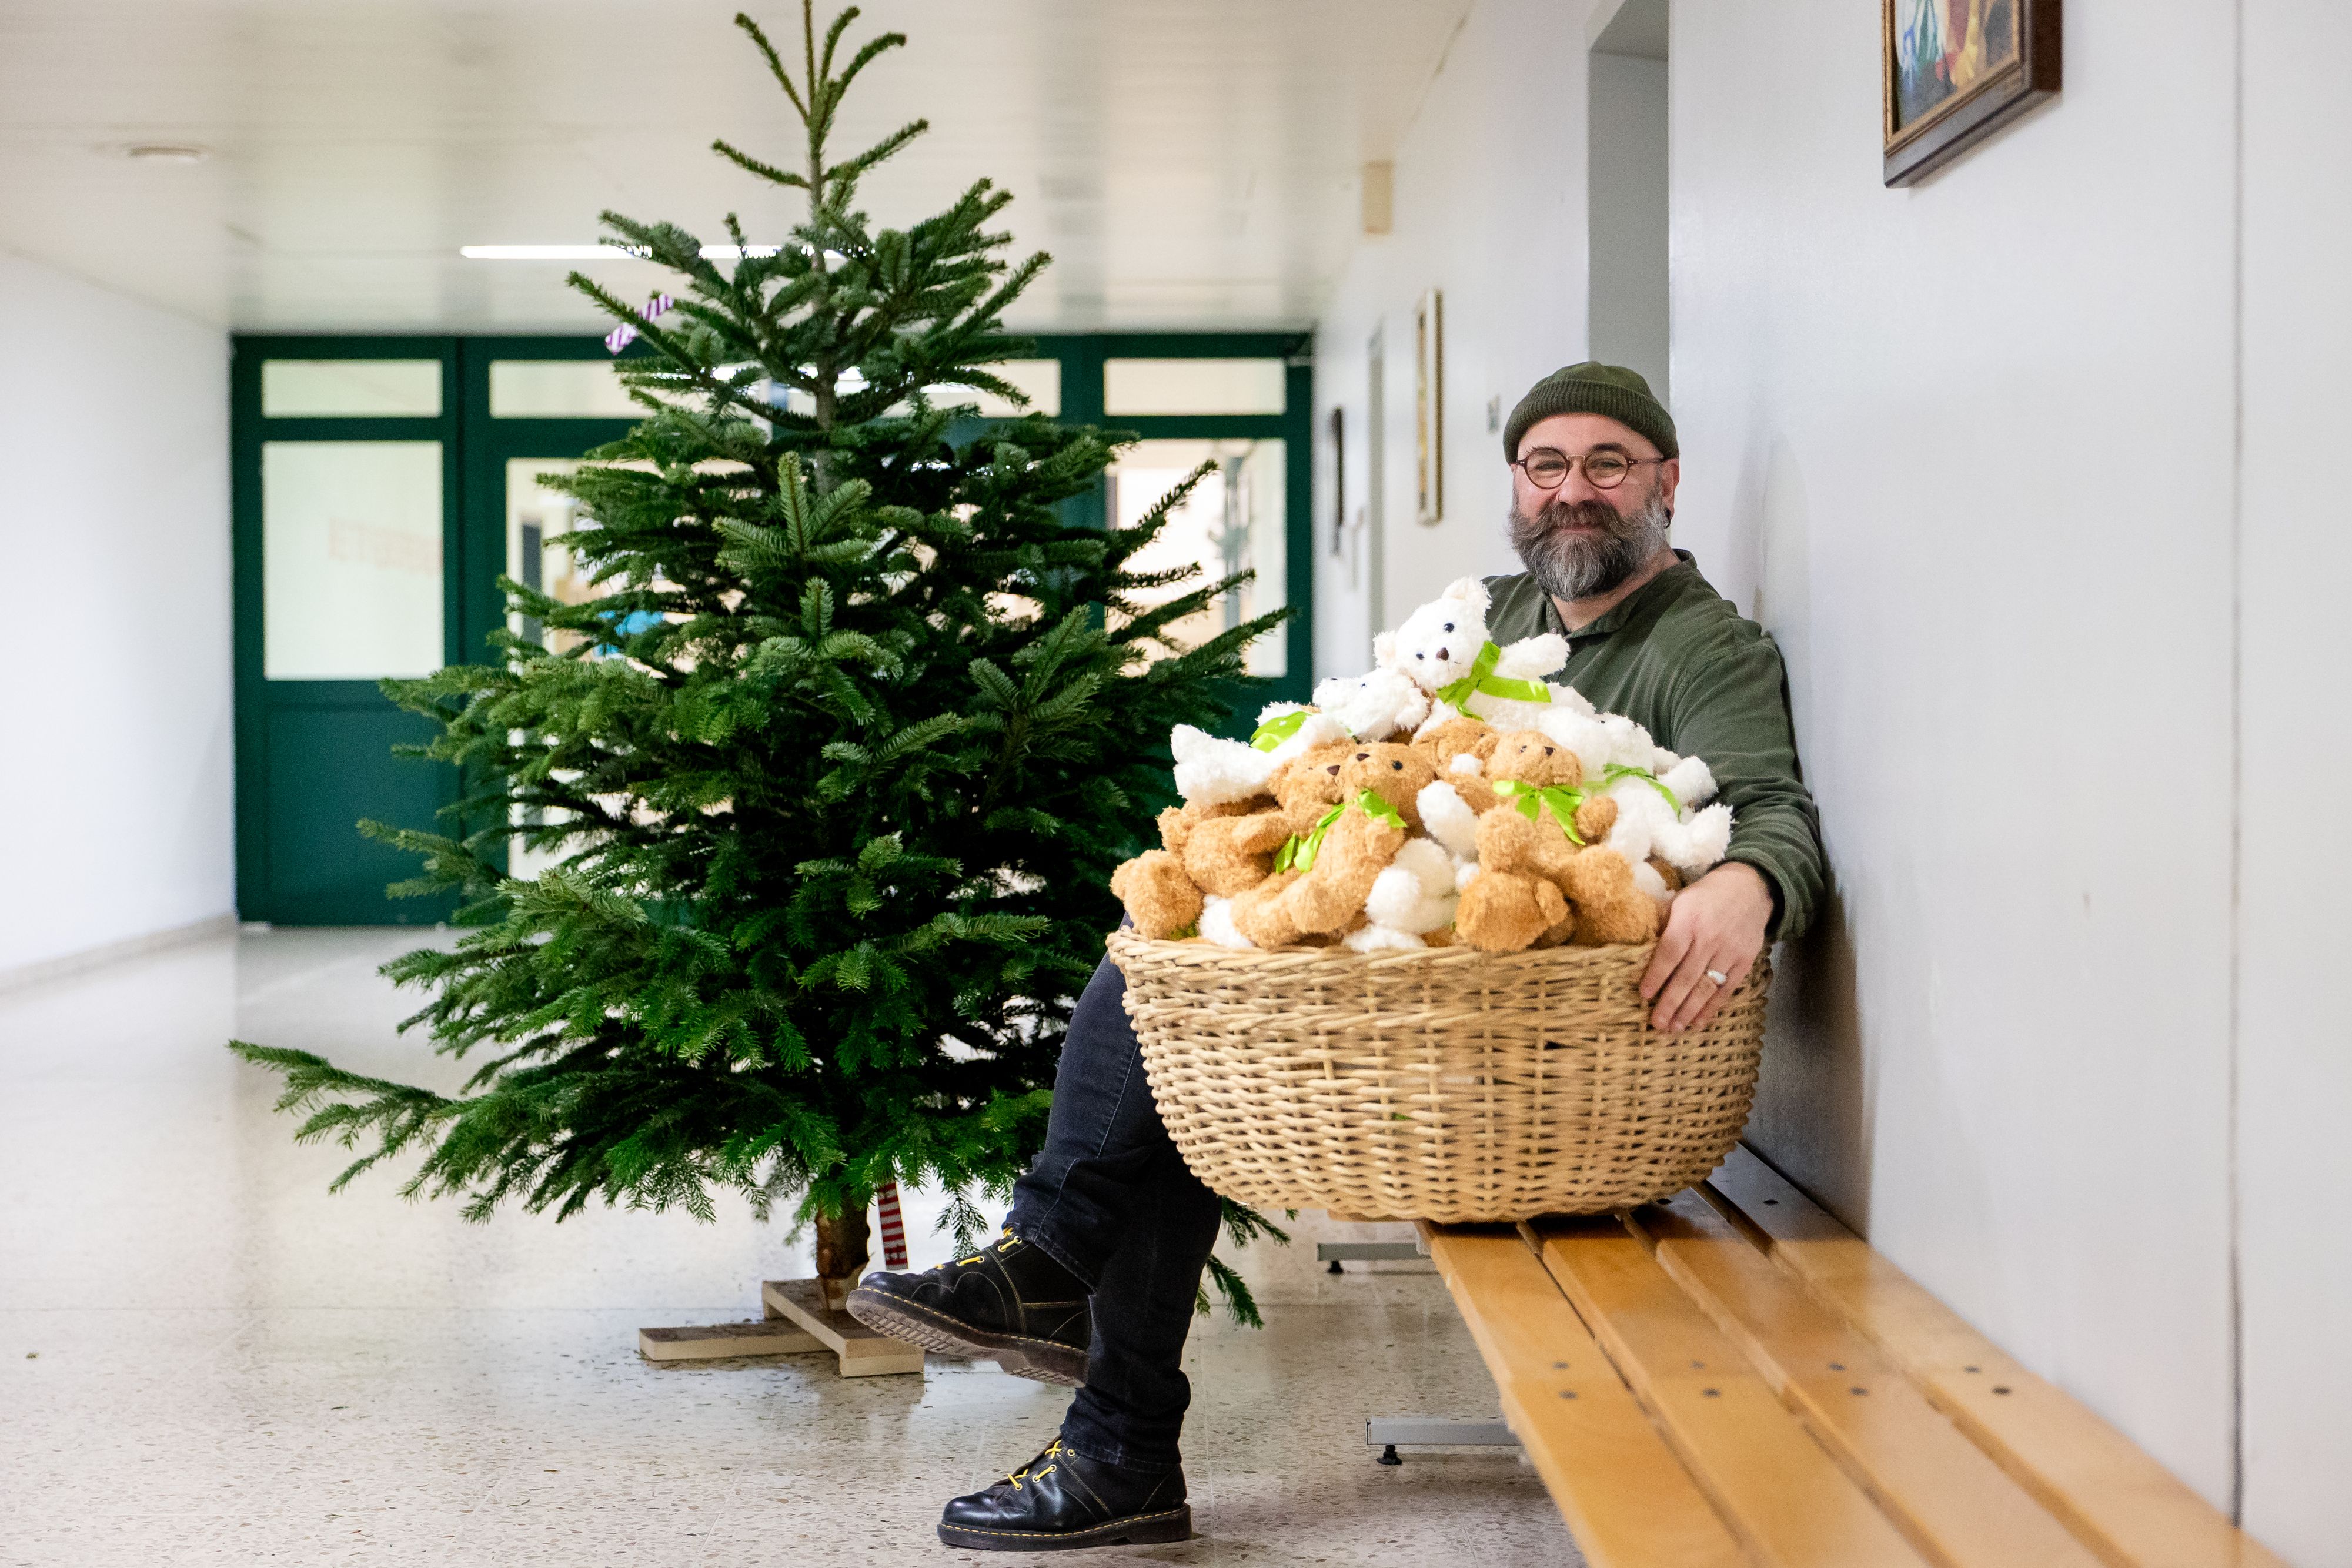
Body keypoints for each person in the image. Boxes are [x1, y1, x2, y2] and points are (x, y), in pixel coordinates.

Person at [847, 362, 1827, 1552]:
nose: (1575, 493)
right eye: (1546, 466)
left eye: (1606, 465)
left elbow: (1772, 809)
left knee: (1173, 1036)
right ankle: (1089, 1371)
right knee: (1176, 981)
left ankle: (1087, 1364)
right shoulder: (1501, 618)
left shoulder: (1699, 645)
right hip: (1441, 1011)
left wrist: (1744, 880)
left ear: (1664, 481)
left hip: (1549, 1077)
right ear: (1516, 486)